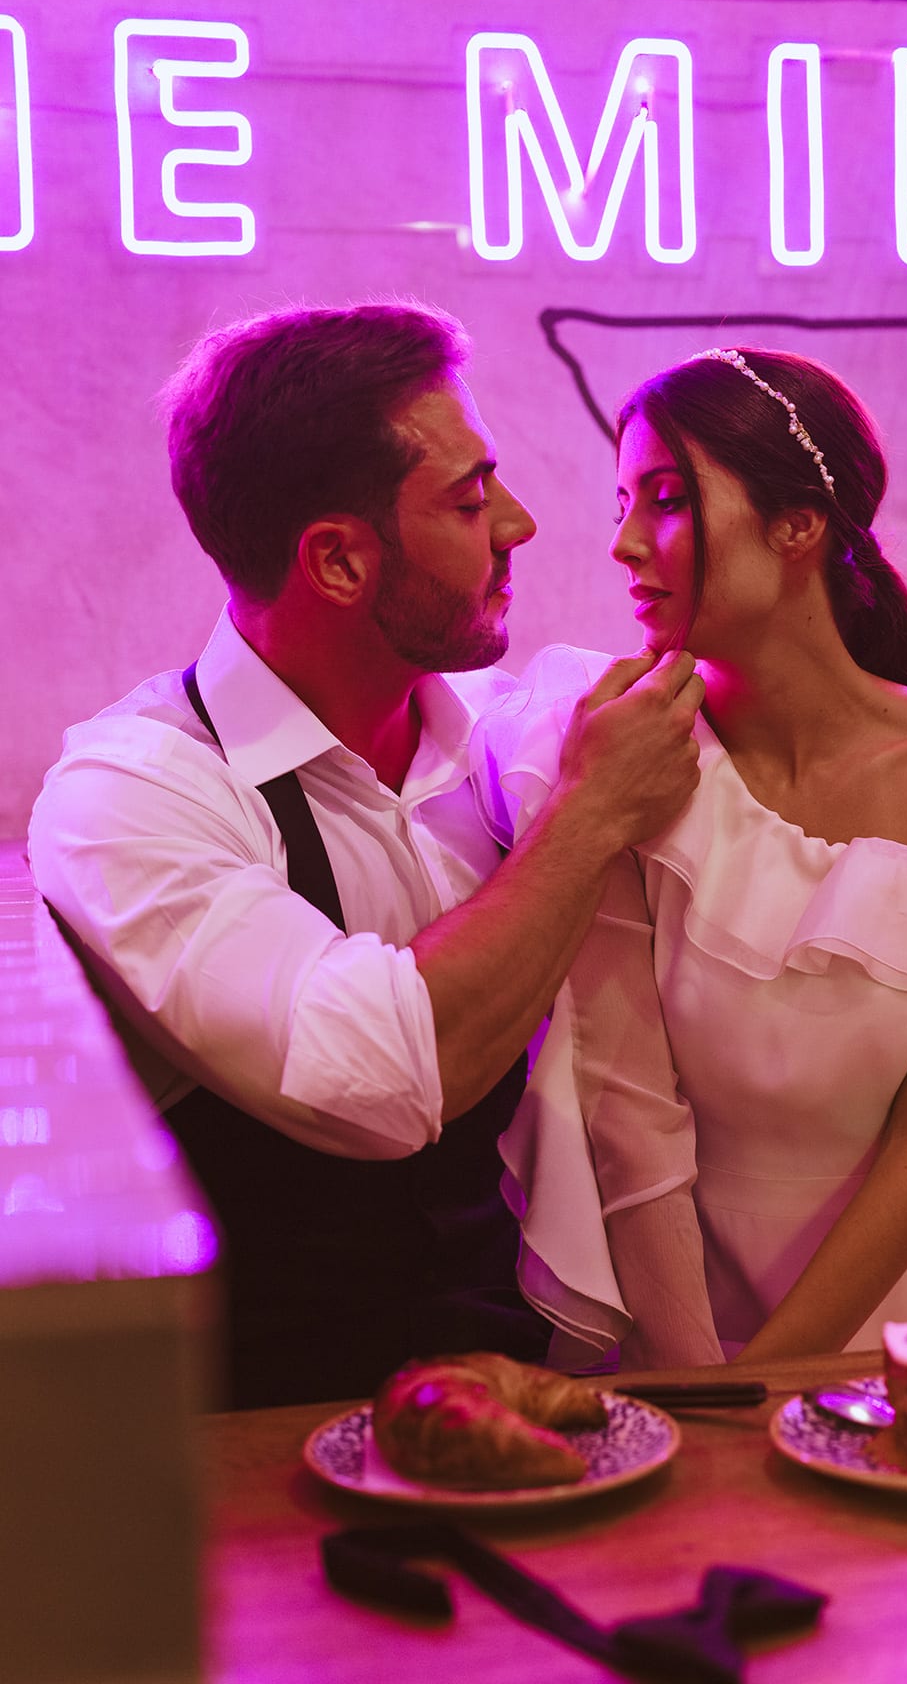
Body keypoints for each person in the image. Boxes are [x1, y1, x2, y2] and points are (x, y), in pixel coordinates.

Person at [27, 301, 704, 1405]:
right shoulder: (131, 796)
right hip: (272, 1434)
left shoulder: (507, 738)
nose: (520, 525)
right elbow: (383, 1081)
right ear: (339, 561)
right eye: (470, 501)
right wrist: (589, 819)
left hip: (533, 1402)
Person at [473, 346, 907, 1369]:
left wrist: (773, 1375)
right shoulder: (622, 748)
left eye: (667, 499)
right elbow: (629, 1117)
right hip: (685, 1314)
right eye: (623, 503)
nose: (623, 543)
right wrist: (705, 1383)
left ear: (798, 526)